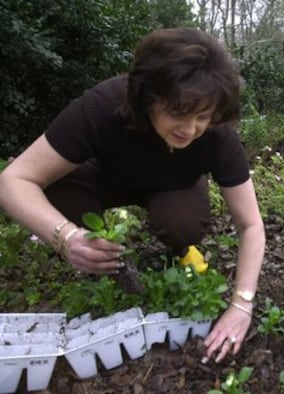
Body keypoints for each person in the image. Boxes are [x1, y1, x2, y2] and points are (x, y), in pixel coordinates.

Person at [0, 28, 265, 364]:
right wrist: (65, 237)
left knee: (182, 222)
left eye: (202, 117)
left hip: (173, 185)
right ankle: (96, 255)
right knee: (54, 190)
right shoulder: (103, 105)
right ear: (148, 97)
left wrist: (242, 304)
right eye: (178, 114)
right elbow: (13, 180)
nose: (190, 129)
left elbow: (251, 224)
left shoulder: (217, 136)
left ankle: (178, 250)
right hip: (104, 177)